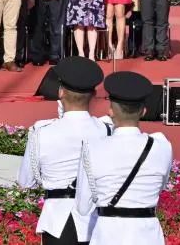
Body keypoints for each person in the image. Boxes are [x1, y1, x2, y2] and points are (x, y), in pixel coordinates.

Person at [18, 56, 112, 245]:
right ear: (93, 94)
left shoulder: (41, 131)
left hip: (56, 221)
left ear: (61, 92)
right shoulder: (106, 129)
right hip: (94, 219)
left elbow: (25, 181)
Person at [74, 71, 173, 245]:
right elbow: (162, 185)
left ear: (110, 110)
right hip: (147, 235)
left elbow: (83, 207)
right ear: (143, 111)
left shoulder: (93, 147)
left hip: (107, 235)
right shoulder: (161, 145)